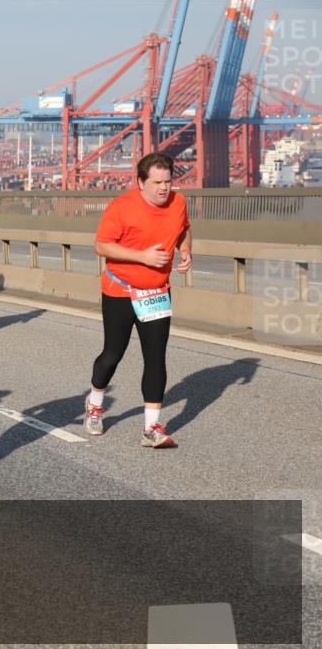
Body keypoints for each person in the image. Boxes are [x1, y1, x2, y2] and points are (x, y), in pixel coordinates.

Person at [85, 152, 191, 448]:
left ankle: (151, 427)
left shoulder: (178, 202)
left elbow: (184, 229)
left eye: (168, 181)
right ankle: (95, 403)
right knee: (112, 354)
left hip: (156, 292)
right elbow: (101, 246)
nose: (164, 188)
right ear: (141, 182)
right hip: (121, 290)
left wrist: (186, 251)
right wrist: (142, 256)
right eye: (157, 182)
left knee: (155, 357)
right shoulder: (122, 207)